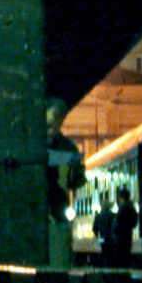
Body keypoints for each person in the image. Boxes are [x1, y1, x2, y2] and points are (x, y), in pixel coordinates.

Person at [45, 97, 86, 269]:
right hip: (51, 210)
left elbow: (77, 180)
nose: (53, 128)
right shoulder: (68, 148)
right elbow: (76, 181)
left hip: (55, 212)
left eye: (57, 122)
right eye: (49, 124)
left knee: (57, 258)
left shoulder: (68, 148)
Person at [113, 185, 138, 268]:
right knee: (126, 254)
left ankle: (121, 276)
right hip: (128, 234)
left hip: (121, 235)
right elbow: (135, 220)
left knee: (120, 257)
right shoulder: (131, 207)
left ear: (121, 197)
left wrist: (115, 231)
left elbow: (117, 221)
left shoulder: (123, 207)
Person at [93, 193, 116, 267]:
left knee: (104, 253)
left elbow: (94, 229)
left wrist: (98, 238)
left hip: (102, 237)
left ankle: (105, 267)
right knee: (111, 255)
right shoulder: (113, 215)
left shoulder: (98, 216)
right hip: (111, 238)